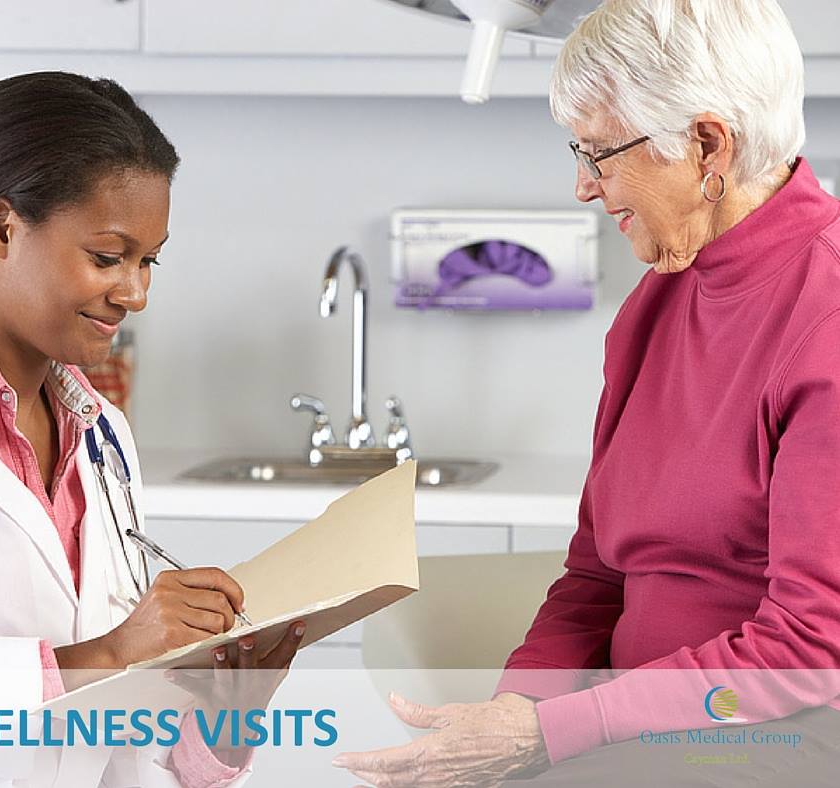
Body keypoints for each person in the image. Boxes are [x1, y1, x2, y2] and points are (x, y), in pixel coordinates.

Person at [334, 1, 840, 785]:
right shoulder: (655, 305)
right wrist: (516, 710)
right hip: (641, 722)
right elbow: (595, 576)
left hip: (782, 727)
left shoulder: (826, 315)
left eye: (601, 153)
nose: (583, 186)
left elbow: (808, 651)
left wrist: (555, 732)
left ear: (707, 144)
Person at [0, 71, 303, 788]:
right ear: (0, 227)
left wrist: (227, 717)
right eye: (108, 257)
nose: (136, 293)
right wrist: (113, 653)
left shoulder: (103, 438)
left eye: (149, 261)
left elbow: (125, 744)